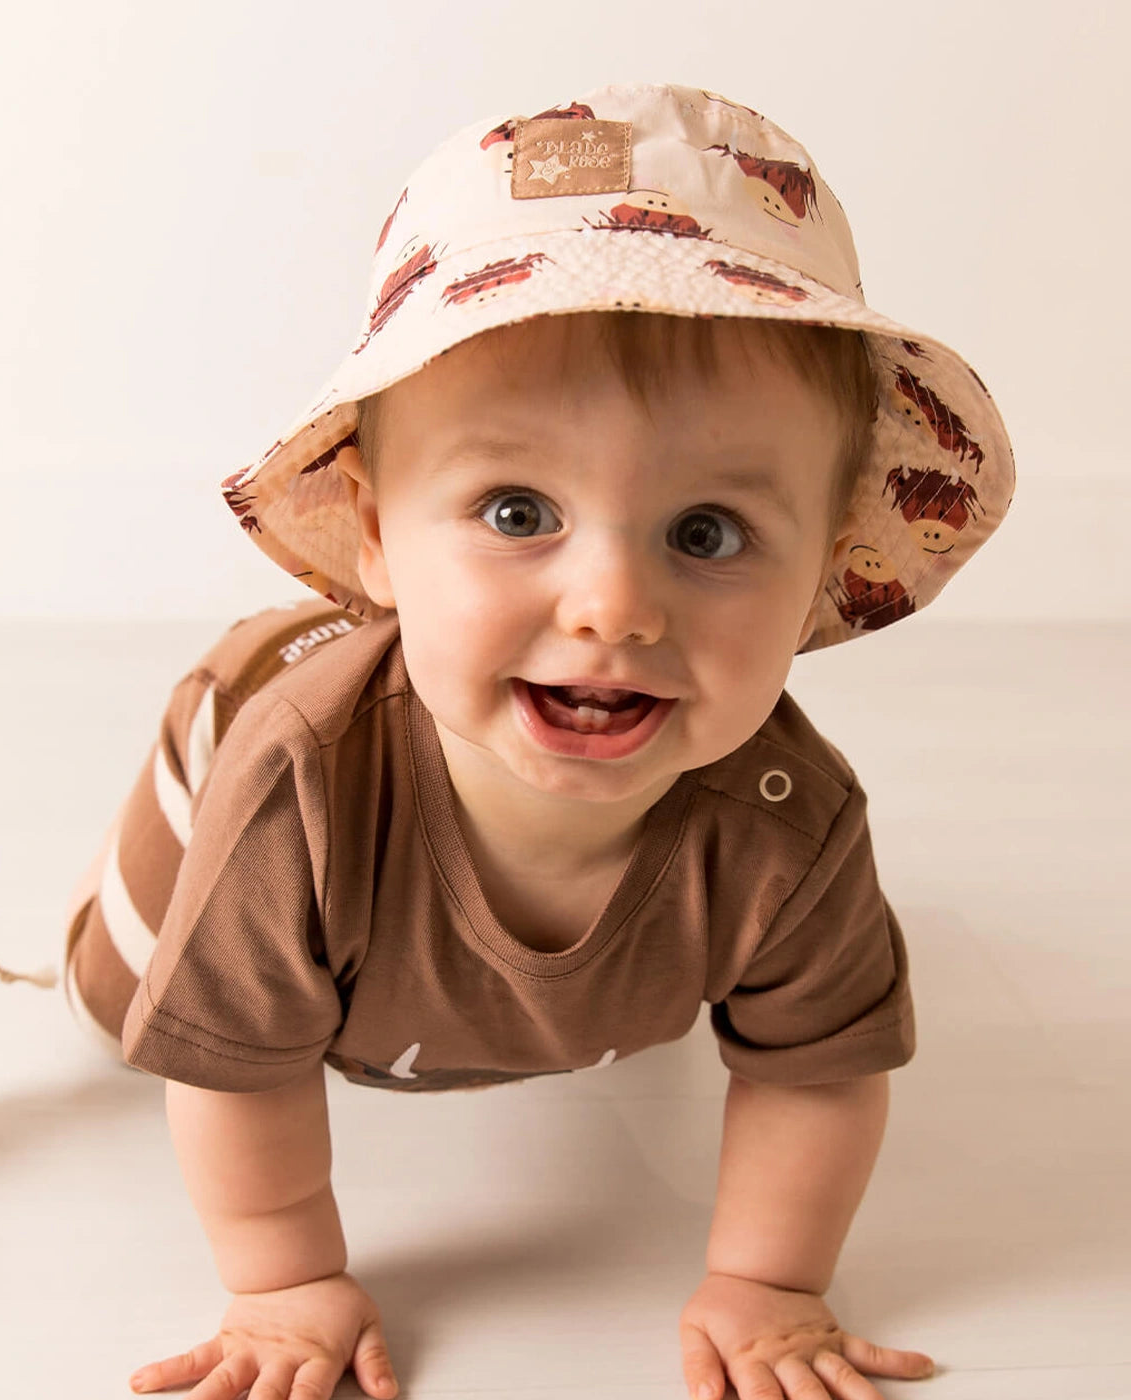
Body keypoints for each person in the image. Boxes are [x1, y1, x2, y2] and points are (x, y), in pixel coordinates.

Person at [63, 82, 1015, 1400]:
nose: (615, 608)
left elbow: (819, 1076)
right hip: (241, 732)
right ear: (380, 535)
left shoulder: (790, 827)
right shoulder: (298, 780)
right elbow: (233, 1078)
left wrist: (768, 1281)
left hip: (444, 860)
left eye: (707, 533)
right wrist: (283, 1281)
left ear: (822, 576)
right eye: (517, 510)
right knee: (131, 1009)